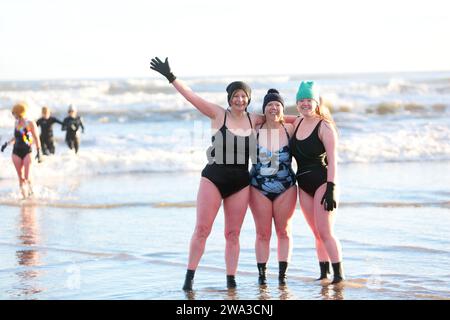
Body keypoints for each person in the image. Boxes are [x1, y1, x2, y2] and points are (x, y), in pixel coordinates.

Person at [150, 57, 266, 291]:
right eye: (235, 95)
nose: (239, 99)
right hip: (213, 178)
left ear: (248, 99)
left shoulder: (255, 120)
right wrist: (171, 77)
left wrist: (315, 116)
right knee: (202, 229)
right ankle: (189, 278)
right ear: (229, 98)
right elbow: (191, 96)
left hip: (241, 183)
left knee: (233, 234)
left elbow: (281, 118)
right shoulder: (217, 114)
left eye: (243, 95)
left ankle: (231, 281)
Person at [290, 81, 344, 284]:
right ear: (297, 103)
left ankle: (339, 275)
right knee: (316, 232)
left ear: (316, 102)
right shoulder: (296, 122)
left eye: (309, 100)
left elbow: (333, 160)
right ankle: (324, 273)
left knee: (326, 231)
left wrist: (331, 189)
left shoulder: (325, 126)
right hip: (303, 185)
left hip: (323, 182)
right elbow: (275, 118)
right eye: (301, 100)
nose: (305, 104)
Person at [249, 89, 297, 286]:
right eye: (269, 104)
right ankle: (262, 276)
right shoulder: (255, 130)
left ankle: (282, 276)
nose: (273, 107)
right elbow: (240, 118)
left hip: (286, 187)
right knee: (262, 233)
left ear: (283, 109)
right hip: (258, 188)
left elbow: (307, 117)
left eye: (277, 104)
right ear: (263, 109)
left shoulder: (290, 129)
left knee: (284, 231)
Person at [1, 102, 42, 198]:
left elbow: (36, 138)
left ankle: (31, 192)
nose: (13, 115)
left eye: (14, 113)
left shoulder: (30, 123)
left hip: (27, 151)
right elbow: (16, 137)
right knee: (21, 177)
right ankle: (24, 198)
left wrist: (39, 151)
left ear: (19, 112)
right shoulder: (16, 123)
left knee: (27, 177)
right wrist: (7, 144)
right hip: (16, 152)